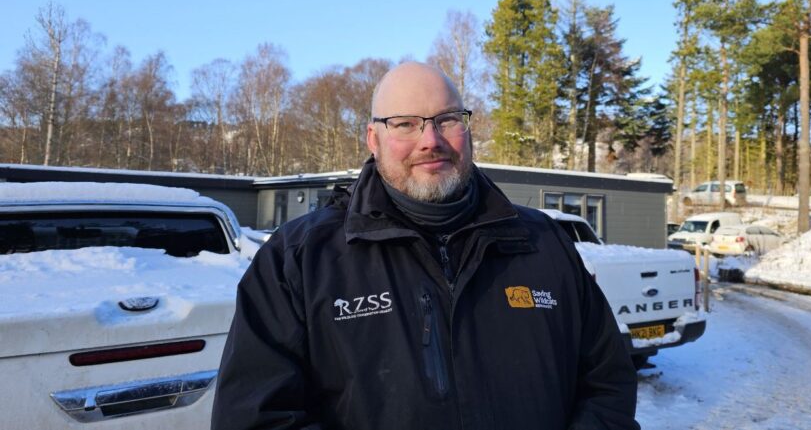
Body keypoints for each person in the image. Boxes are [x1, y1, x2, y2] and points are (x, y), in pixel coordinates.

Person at [211, 62, 641, 430]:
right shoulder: (301, 258)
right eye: (405, 123)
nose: (430, 140)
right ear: (373, 138)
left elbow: (608, 383)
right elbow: (255, 415)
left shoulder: (541, 242)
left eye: (447, 119)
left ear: (468, 130)